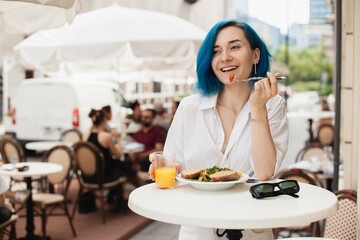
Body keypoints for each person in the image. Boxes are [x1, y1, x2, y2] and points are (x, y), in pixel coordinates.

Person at [148, 19, 289, 240]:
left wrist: (258, 108)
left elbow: (264, 172)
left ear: (255, 55)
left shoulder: (272, 105)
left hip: (251, 230)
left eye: (234, 47)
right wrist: (162, 165)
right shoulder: (189, 107)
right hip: (197, 230)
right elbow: (172, 166)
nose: (224, 57)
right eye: (216, 51)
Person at [83, 109, 146, 210]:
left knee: (116, 162)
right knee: (123, 162)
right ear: (104, 121)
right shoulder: (106, 136)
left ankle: (115, 195)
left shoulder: (85, 135)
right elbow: (119, 154)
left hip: (87, 176)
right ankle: (138, 183)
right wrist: (118, 139)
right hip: (103, 177)